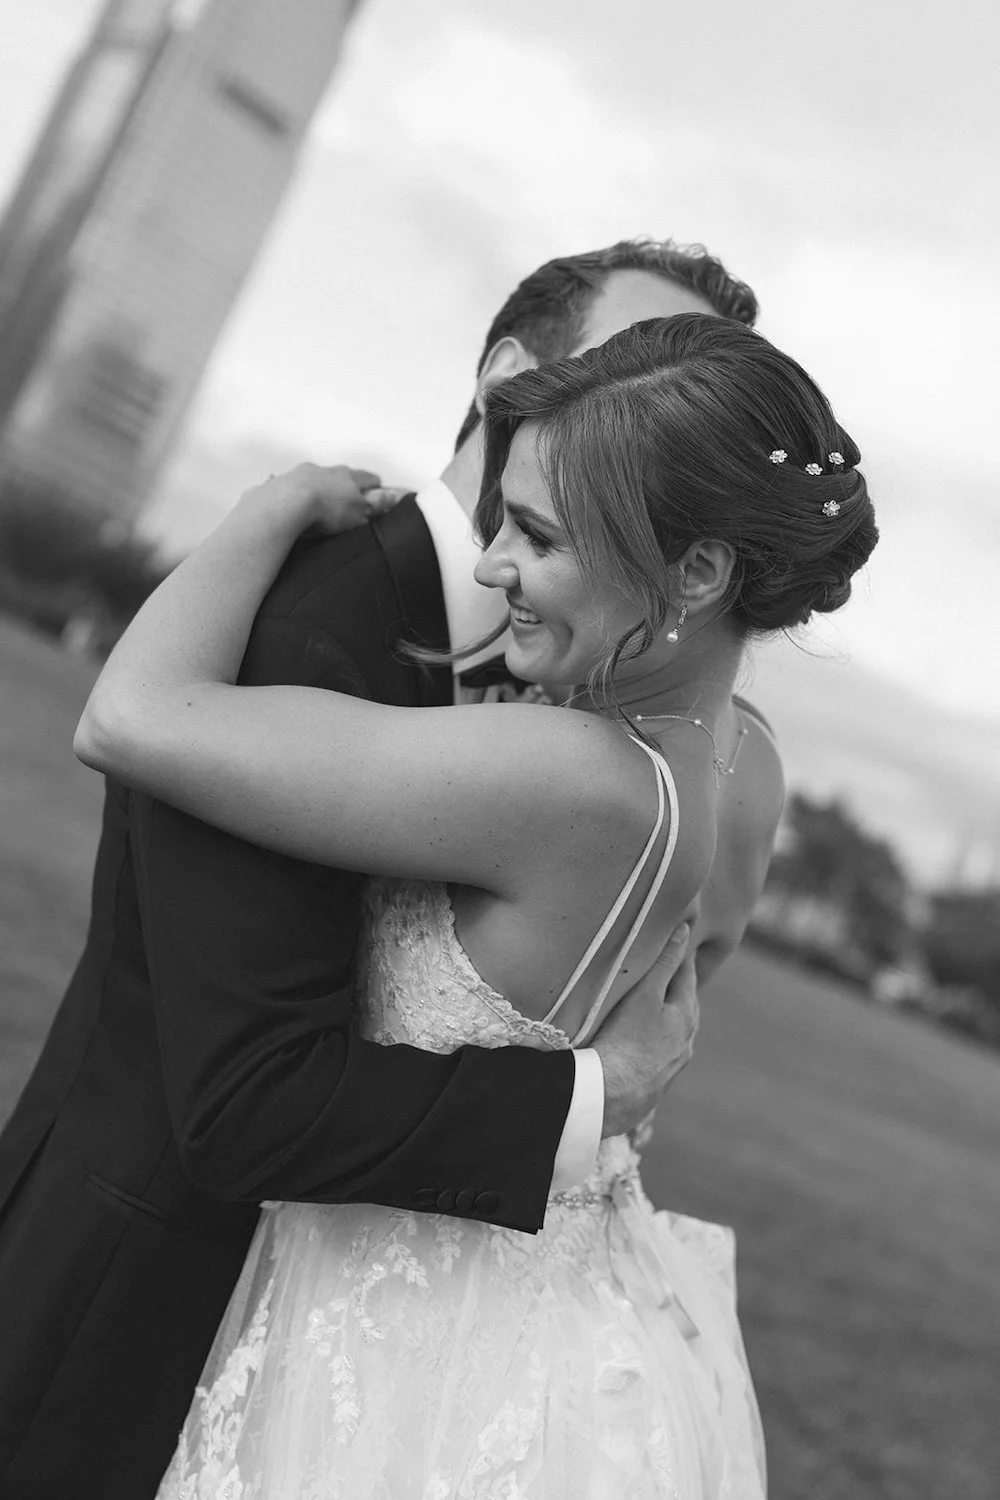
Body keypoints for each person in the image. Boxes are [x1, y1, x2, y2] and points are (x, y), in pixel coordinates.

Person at [77, 313, 879, 1497]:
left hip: (425, 1366)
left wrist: (269, 510)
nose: (493, 560)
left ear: (698, 573)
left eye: (539, 535)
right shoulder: (745, 766)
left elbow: (133, 717)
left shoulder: (565, 780)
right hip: (580, 1328)